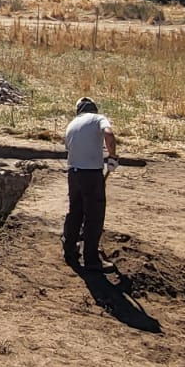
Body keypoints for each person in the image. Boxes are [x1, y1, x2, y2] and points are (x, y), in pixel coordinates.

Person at [63, 97, 118, 273]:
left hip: (73, 173)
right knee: (94, 215)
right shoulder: (98, 118)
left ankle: (70, 249)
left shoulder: (71, 125)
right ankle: (91, 259)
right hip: (91, 174)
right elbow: (108, 134)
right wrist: (113, 156)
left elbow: (70, 149)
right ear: (94, 108)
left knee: (76, 212)